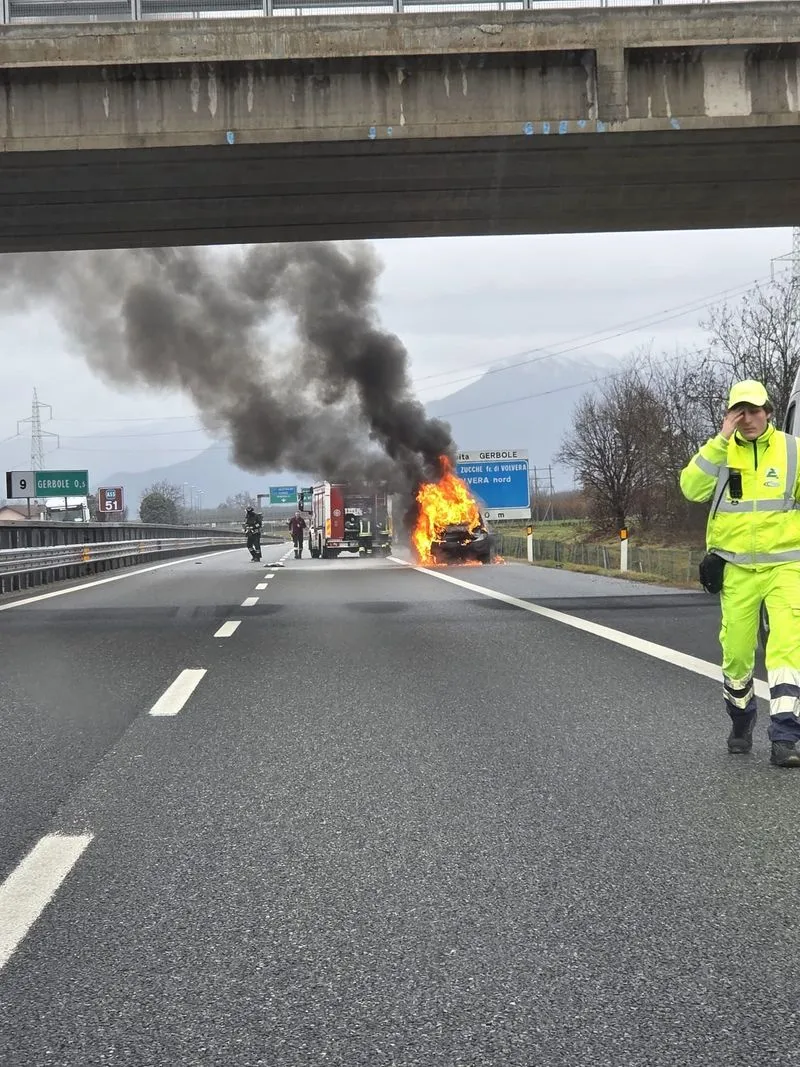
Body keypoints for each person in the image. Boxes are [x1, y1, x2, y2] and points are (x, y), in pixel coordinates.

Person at [680, 379, 800, 767]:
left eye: (754, 410)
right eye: (739, 411)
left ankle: (786, 734)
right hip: (736, 568)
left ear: (768, 410)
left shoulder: (793, 450)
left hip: (786, 565)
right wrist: (718, 441)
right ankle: (741, 718)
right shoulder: (720, 452)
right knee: (736, 655)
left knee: (787, 648)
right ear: (730, 415)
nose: (748, 418)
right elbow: (690, 489)